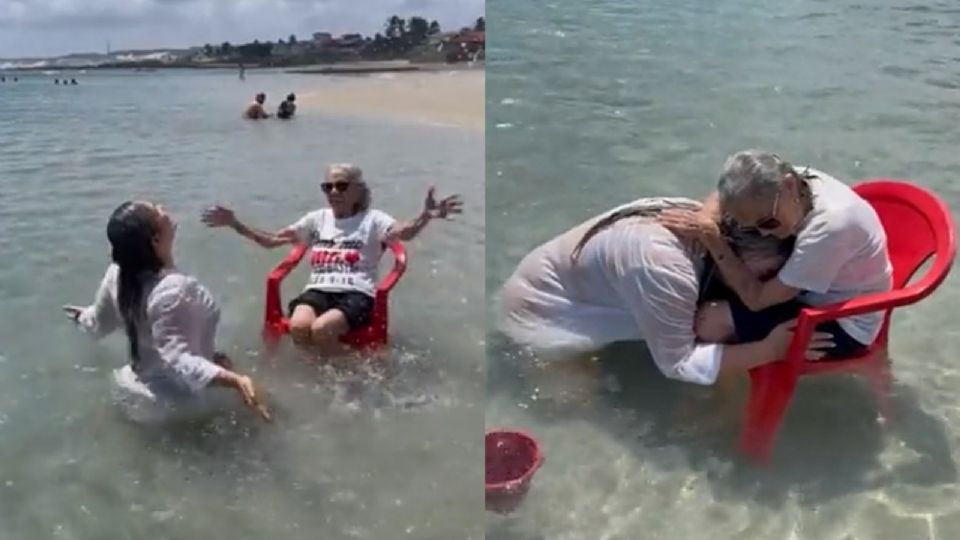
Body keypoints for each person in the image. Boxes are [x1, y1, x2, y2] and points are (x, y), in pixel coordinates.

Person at [499, 197, 833, 389]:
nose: (774, 286)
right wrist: (769, 350)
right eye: (769, 274)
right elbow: (679, 364)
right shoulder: (664, 268)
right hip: (543, 313)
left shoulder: (707, 224)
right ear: (729, 251)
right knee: (573, 405)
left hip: (589, 284)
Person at [201, 163, 464, 355]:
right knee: (298, 327)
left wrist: (425, 216)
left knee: (321, 330)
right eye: (328, 186)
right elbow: (271, 241)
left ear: (359, 190)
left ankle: (351, 373)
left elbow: (403, 233)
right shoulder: (317, 219)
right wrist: (236, 224)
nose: (334, 191)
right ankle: (330, 372)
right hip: (318, 290)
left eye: (341, 185)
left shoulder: (373, 219)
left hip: (357, 293)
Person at [658, 150, 893, 359]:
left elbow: (757, 300)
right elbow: (722, 196)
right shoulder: (787, 183)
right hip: (806, 291)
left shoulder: (830, 227)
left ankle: (725, 394)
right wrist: (706, 218)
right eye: (752, 227)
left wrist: (715, 241)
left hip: (842, 322)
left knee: (708, 322)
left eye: (767, 222)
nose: (763, 234)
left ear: (789, 185)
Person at [64, 201, 271, 424]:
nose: (161, 206)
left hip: (136, 389)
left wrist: (81, 317)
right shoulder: (172, 290)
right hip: (178, 401)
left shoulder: (119, 274)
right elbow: (178, 359)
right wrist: (236, 381)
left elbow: (99, 323)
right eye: (156, 209)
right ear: (155, 240)